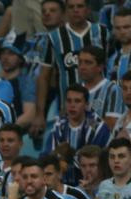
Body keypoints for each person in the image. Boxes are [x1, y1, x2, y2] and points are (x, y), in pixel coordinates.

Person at [33, 0, 110, 136]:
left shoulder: (103, 32)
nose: (76, 10)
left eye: (80, 6)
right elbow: (44, 77)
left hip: (101, 105)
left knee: (98, 144)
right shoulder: (54, 37)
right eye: (71, 7)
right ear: (65, 12)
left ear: (88, 9)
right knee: (69, 149)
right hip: (68, 108)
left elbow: (111, 69)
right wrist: (40, 114)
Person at [80, 46, 124, 131]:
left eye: (88, 63)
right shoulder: (74, 90)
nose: (82, 67)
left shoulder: (113, 90)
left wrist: (81, 120)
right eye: (80, 62)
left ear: (100, 67)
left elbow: (111, 124)